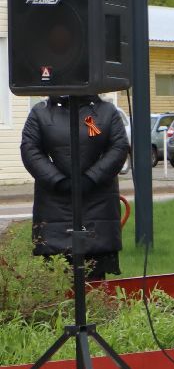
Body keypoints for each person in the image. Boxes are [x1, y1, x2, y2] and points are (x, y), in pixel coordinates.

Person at [20, 95, 130, 281]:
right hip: (54, 205)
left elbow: (119, 148)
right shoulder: (40, 112)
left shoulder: (107, 112)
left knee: (94, 279)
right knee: (57, 279)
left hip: (98, 204)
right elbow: (30, 150)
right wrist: (58, 181)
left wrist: (92, 178)